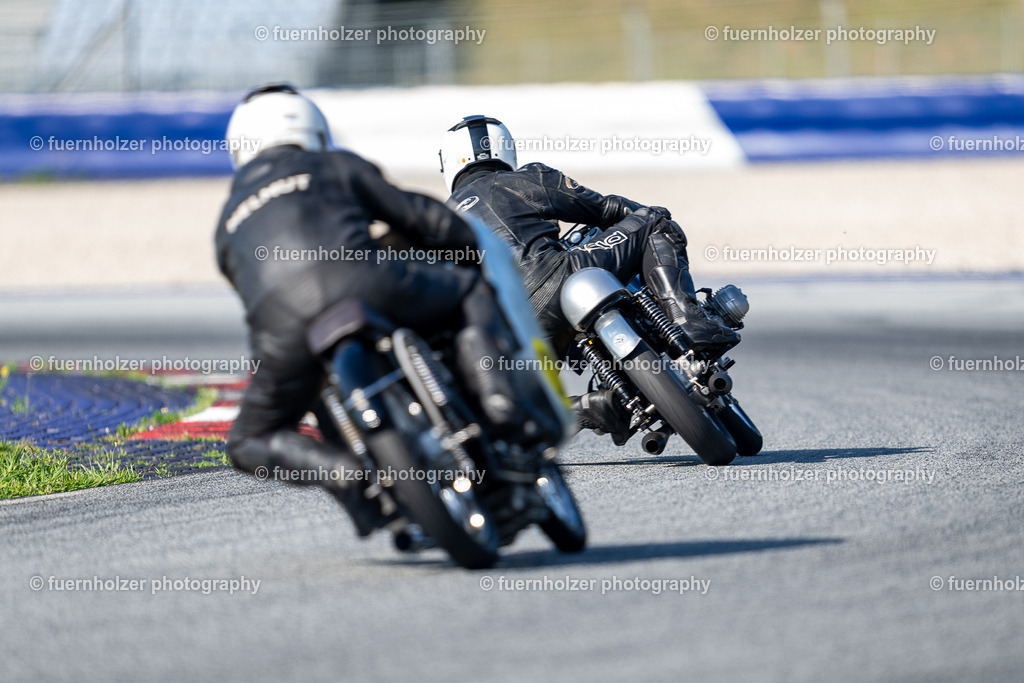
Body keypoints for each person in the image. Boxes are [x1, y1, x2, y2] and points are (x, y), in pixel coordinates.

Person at [215, 86, 529, 537]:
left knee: (248, 439)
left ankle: (354, 483)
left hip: (284, 331)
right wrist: (468, 244)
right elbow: (419, 216)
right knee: (467, 291)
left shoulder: (228, 221)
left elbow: (249, 296)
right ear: (314, 131)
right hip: (366, 283)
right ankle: (499, 399)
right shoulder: (334, 164)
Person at [438, 115, 739, 445]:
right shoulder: (525, 179)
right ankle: (686, 320)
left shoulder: (437, 222)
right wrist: (636, 219)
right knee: (654, 222)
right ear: (505, 149)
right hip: (560, 274)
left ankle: (587, 407)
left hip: (516, 329)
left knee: (505, 399)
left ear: (448, 163)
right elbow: (604, 209)